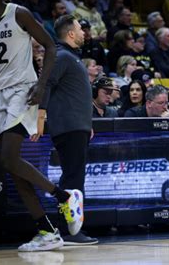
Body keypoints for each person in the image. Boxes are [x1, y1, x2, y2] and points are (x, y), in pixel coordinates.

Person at [0, 0, 83, 251]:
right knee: (11, 166)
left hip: (24, 91)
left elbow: (51, 47)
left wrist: (41, 87)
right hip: (0, 96)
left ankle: (64, 197)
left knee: (8, 157)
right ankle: (46, 231)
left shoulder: (19, 13)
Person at [38, 14, 98, 245]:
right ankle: (67, 231)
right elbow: (46, 85)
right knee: (72, 179)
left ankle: (70, 229)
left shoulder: (71, 57)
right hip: (68, 127)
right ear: (70, 33)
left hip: (78, 126)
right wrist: (41, 115)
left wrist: (87, 124)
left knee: (75, 178)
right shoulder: (61, 56)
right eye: (80, 29)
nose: (84, 32)